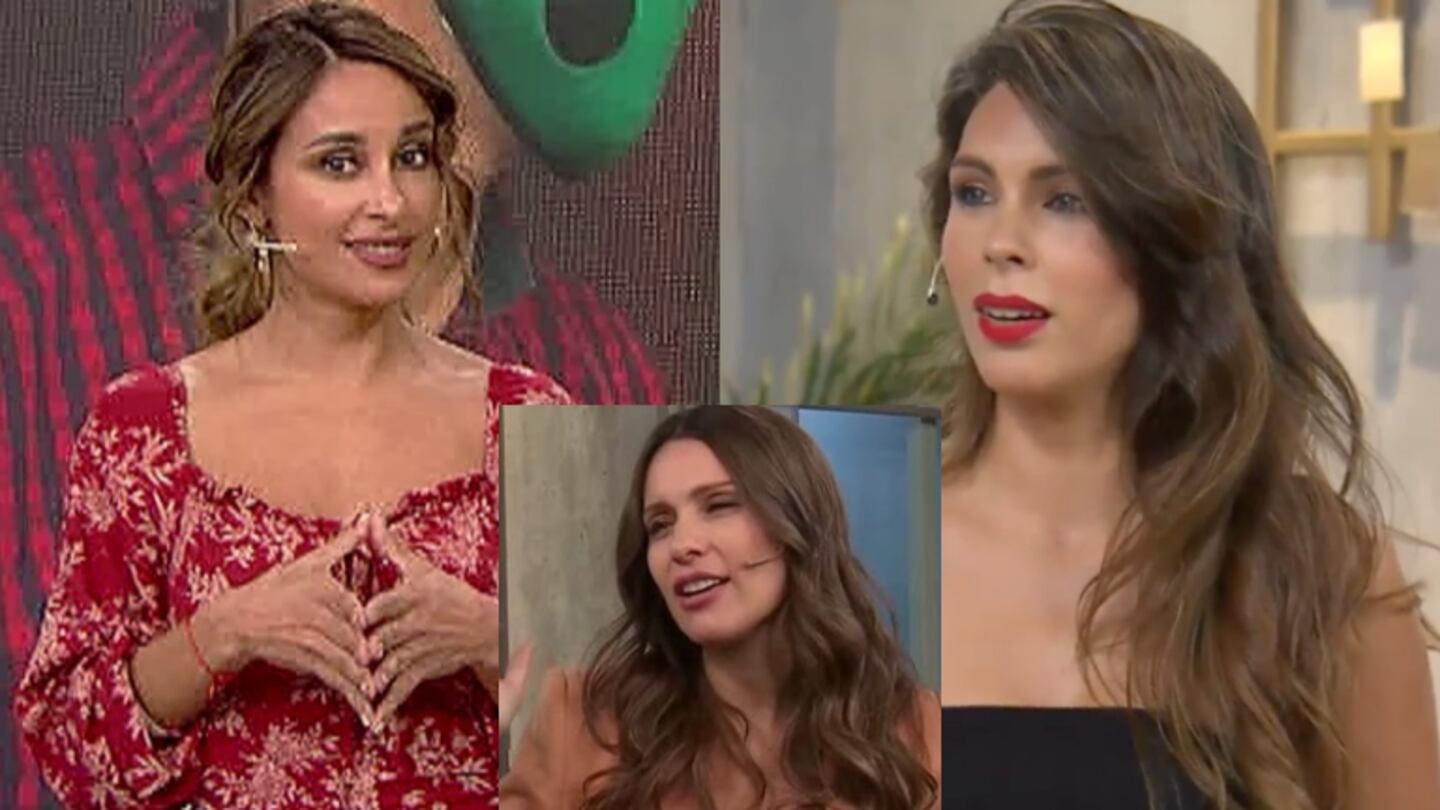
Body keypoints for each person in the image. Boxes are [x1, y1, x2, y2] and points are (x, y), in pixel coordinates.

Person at [13, 5, 569, 807]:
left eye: (412, 157)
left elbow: (634, 746)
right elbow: (71, 745)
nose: (390, 200)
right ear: (253, 202)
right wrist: (225, 634)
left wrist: (491, 637)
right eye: (341, 163)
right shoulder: (143, 428)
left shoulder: (530, 417)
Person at [926, 2, 1440, 808]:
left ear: (1174, 243)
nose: (1001, 243)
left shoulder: (1314, 568)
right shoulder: (853, 551)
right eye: (975, 192)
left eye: (1064, 200)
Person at [498, 406, 940, 809]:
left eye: (720, 505)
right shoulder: (583, 722)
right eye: (660, 525)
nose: (681, 545)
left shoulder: (916, 730)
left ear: (797, 525)